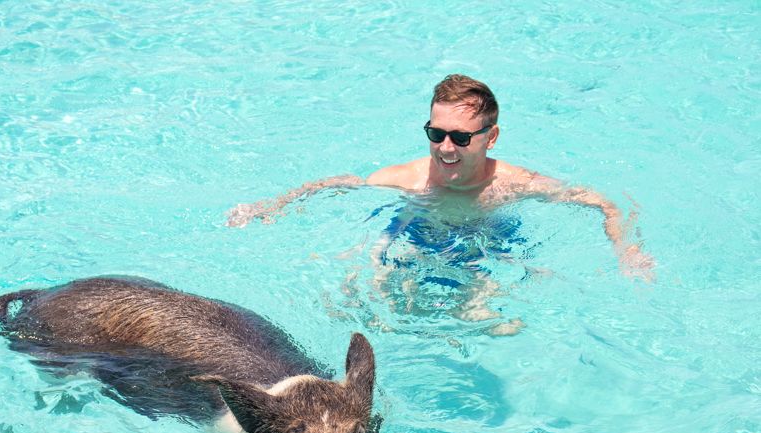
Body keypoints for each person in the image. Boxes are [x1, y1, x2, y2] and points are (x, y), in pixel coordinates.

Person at [227, 74, 654, 287]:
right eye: (437, 133)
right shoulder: (410, 179)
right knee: (358, 281)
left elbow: (605, 202)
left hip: (493, 239)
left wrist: (626, 249)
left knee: (495, 312)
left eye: (462, 137)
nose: (446, 148)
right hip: (420, 233)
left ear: (492, 137)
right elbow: (341, 183)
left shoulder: (514, 185)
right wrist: (270, 206)